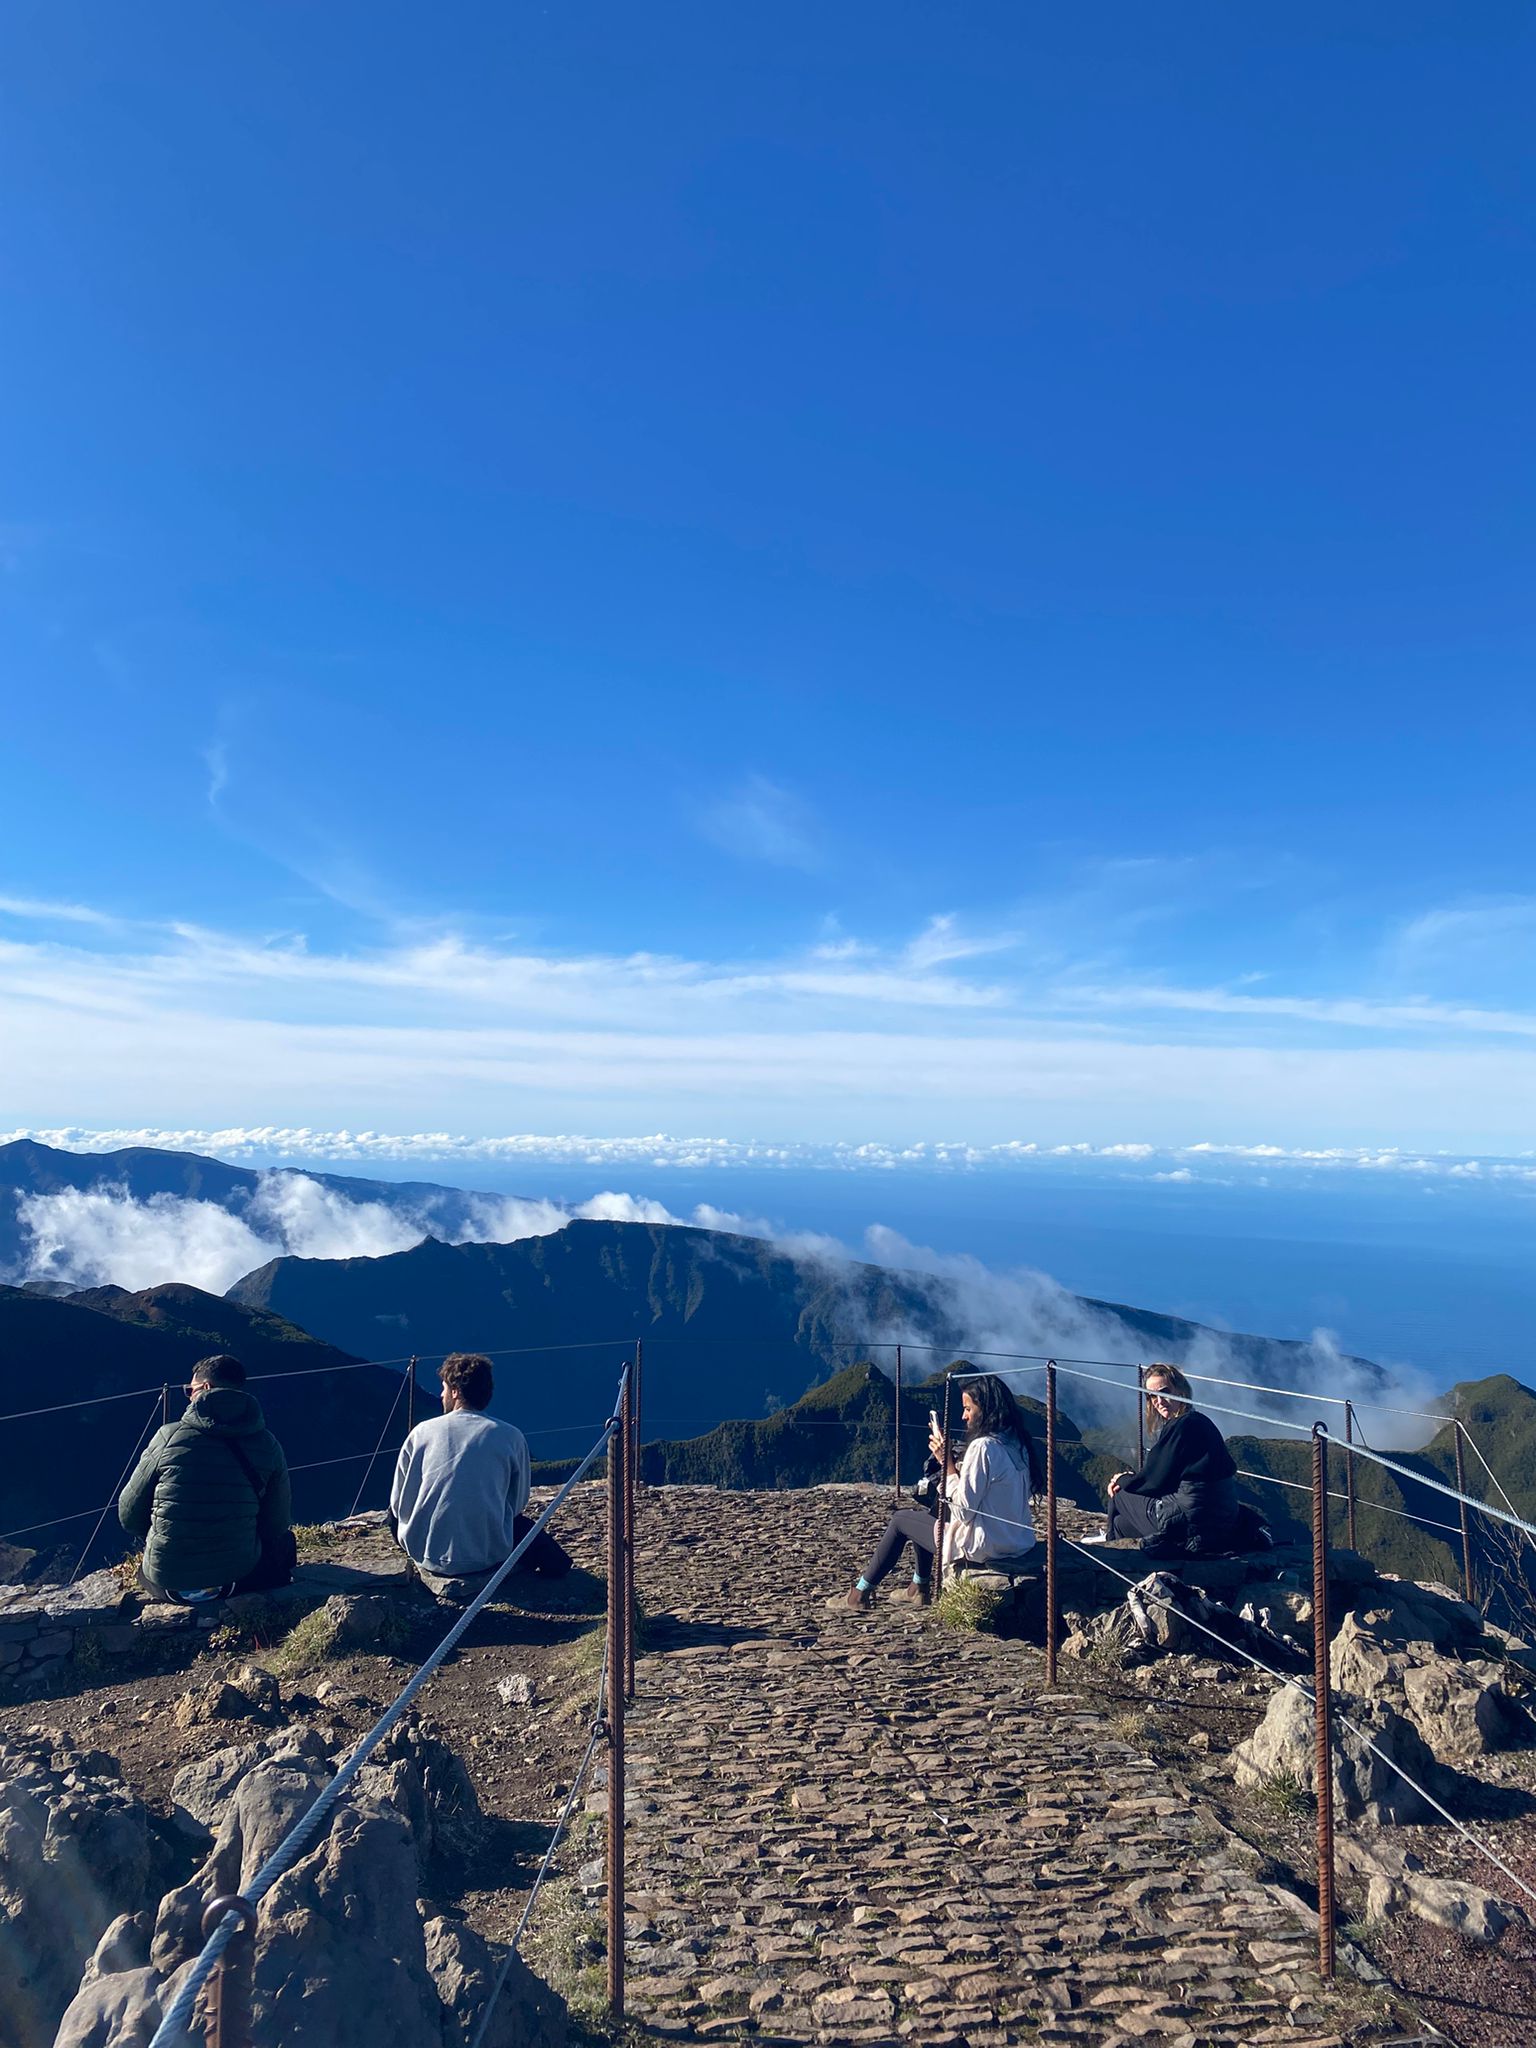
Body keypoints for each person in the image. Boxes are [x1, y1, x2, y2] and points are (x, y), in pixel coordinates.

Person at [829, 1374, 1042, 1612]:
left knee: (901, 1520)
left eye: (968, 1409)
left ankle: (859, 1594)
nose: (964, 1416)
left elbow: (963, 1511)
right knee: (928, 1518)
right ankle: (917, 1588)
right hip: (1016, 1540)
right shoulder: (1016, 1442)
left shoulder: (983, 1447)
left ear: (986, 1409)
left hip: (985, 1544)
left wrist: (946, 1463)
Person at [389, 1351, 571, 1600]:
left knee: (391, 1516)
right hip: (488, 1555)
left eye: (444, 1388)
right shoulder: (511, 1436)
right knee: (532, 1537)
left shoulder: (421, 1432)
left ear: (455, 1391)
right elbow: (517, 1503)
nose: (441, 1395)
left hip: (425, 1553)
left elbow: (398, 1504)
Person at [118, 1354, 294, 1601]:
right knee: (286, 1544)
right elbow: (276, 1524)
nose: (189, 1396)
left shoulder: (168, 1436)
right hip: (236, 1579)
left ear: (205, 1388)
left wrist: (165, 1533)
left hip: (168, 1584)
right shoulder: (268, 1444)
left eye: (190, 1390)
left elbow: (128, 1515)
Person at [1102, 1363, 1239, 1552]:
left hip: (1192, 1522)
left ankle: (1106, 1551)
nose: (1159, 1401)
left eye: (1164, 1392)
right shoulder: (1200, 1421)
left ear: (1181, 1391)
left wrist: (1121, 1479)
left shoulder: (1181, 1426)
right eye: (1152, 1396)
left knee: (1120, 1494)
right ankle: (1113, 1538)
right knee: (1121, 1524)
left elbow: (1153, 1481)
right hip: (1220, 1518)